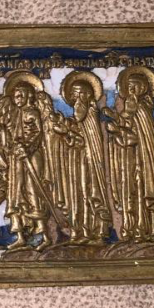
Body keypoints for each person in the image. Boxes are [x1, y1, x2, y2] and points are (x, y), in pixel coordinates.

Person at [0, 76, 51, 251]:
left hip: (32, 156)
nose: (18, 99)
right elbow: (0, 124)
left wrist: (28, 147)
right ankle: (20, 236)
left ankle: (44, 235)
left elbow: (38, 133)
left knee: (33, 192)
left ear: (29, 95)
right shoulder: (14, 113)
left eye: (21, 96)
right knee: (15, 193)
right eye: (16, 96)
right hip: (15, 156)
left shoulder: (33, 112)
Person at [104, 66, 154, 242]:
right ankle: (130, 227)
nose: (130, 92)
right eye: (128, 88)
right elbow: (126, 123)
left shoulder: (142, 109)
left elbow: (137, 137)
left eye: (134, 87)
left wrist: (117, 130)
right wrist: (115, 119)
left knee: (141, 189)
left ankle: (143, 228)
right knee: (129, 190)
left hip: (141, 159)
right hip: (128, 158)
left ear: (142, 88)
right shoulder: (131, 109)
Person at [58, 74, 112, 244]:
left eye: (80, 93)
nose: (76, 98)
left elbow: (87, 138)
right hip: (79, 160)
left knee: (94, 191)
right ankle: (83, 231)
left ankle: (100, 231)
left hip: (92, 160)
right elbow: (76, 140)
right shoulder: (78, 116)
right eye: (74, 94)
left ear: (88, 95)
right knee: (80, 193)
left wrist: (69, 131)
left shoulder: (90, 112)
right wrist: (68, 134)